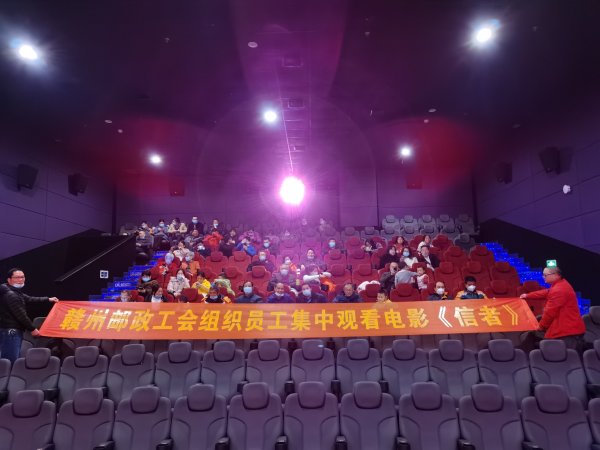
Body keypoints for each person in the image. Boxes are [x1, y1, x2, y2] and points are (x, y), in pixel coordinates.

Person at [0, 268, 59, 363]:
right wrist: (32, 329)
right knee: (10, 360)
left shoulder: (12, 290)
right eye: (17, 277)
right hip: (11, 330)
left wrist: (48, 299)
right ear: (9, 279)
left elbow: (29, 299)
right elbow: (21, 315)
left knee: (10, 358)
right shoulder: (11, 294)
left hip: (10, 329)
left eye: (22, 277)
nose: (20, 280)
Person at [521, 267, 585, 350]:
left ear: (556, 275)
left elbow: (549, 313)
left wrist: (540, 327)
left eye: (545, 275)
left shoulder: (558, 290)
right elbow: (546, 292)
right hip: (569, 329)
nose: (543, 277)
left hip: (567, 333)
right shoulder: (560, 284)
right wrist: (527, 295)